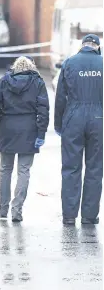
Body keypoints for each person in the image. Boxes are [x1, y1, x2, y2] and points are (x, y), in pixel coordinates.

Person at [0, 56, 49, 221]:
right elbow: (43, 109)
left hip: (7, 128)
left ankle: (2, 209)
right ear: (32, 66)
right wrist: (41, 133)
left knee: (5, 169)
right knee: (24, 170)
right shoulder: (37, 83)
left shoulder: (4, 81)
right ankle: (17, 211)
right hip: (29, 129)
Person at [55, 34, 103, 225]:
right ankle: (89, 217)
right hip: (99, 119)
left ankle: (69, 216)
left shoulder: (69, 63)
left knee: (70, 168)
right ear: (97, 47)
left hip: (73, 119)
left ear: (81, 46)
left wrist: (59, 124)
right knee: (95, 168)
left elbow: (60, 97)